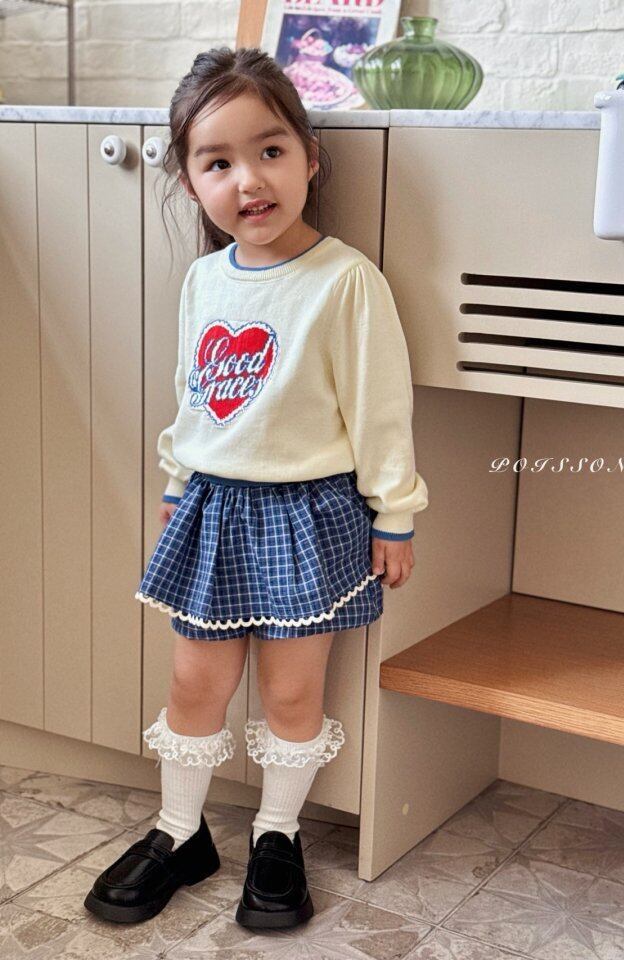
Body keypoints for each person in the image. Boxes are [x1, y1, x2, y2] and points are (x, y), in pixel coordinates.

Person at [83, 45, 429, 932]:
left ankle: (278, 834)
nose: (249, 180)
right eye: (218, 162)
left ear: (310, 156)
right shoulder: (205, 279)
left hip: (309, 514)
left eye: (269, 151)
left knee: (291, 694)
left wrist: (395, 512)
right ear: (190, 182)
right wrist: (177, 480)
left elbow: (381, 408)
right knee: (194, 683)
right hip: (212, 507)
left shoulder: (345, 281)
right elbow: (194, 394)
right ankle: (179, 832)